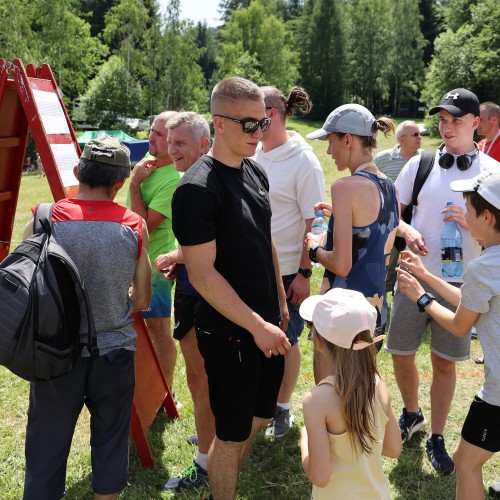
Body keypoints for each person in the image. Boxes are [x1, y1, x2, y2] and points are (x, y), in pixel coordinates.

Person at [171, 76, 291, 499]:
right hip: (230, 332)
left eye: (264, 122)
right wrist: (257, 325)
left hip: (267, 322)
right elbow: (203, 276)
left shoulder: (255, 170)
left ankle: (227, 480)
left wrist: (278, 296)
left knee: (259, 415)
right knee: (230, 432)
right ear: (218, 124)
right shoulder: (196, 190)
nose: (260, 134)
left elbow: (265, 237)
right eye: (249, 125)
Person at [22, 136, 152, 499]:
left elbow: (24, 287)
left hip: (54, 355)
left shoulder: (43, 219)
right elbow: (141, 298)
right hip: (113, 355)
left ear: (78, 172)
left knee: (46, 446)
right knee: (110, 444)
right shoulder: (133, 225)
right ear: (120, 183)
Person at [385, 88, 499, 475]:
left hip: (463, 288)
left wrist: (472, 224)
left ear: (475, 124)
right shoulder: (420, 162)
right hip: (414, 276)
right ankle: (412, 413)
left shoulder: (492, 173)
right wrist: (405, 231)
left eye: (455, 120)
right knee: (400, 352)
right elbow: (392, 214)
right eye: (442, 120)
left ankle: (436, 435)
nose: (446, 127)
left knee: (444, 363)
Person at [396, 170, 500, 500]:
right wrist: (425, 275)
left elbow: (459, 324)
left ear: (486, 216)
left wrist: (420, 297)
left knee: (465, 463)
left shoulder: (484, 267)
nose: (464, 216)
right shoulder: (489, 265)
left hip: (498, 395)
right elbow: (473, 300)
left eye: (468, 210)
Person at [306, 104, 399, 381]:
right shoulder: (389, 184)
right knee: (361, 398)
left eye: (331, 142)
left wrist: (314, 247)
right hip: (374, 313)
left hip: (342, 316)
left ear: (348, 140)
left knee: (331, 396)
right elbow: (374, 235)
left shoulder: (344, 187)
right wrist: (338, 219)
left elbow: (342, 265)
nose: (328, 151)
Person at [254, 85, 325, 438]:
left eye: (255, 116)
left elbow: (316, 224)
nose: (249, 124)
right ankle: (257, 408)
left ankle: (282, 410)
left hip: (287, 272)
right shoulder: (254, 152)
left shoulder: (304, 160)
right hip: (253, 267)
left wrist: (304, 272)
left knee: (287, 340)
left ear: (273, 114)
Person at [154, 112, 214, 491]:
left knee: (200, 376)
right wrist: (181, 260)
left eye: (180, 144)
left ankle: (206, 461)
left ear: (204, 144)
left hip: (203, 293)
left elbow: (211, 244)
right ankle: (209, 436)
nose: (171, 150)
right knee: (203, 376)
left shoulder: (196, 185)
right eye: (169, 142)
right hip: (197, 286)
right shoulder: (202, 177)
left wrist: (175, 258)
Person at [299, 288, 401, 499]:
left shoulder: (317, 400)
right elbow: (393, 448)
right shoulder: (378, 384)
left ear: (319, 341)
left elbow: (319, 476)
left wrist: (304, 441)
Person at [127, 111, 180, 393]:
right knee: (141, 332)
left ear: (172, 142)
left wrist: (135, 182)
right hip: (133, 262)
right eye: (152, 131)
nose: (152, 137)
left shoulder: (172, 178)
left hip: (155, 267)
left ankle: (164, 395)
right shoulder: (150, 166)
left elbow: (143, 223)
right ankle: (147, 391)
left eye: (160, 134)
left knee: (159, 332)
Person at [374, 120, 422, 294]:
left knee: (410, 269)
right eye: (415, 134)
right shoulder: (383, 159)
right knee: (385, 267)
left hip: (416, 224)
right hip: (388, 222)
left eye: (420, 134)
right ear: (401, 139)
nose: (420, 137)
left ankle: (404, 297)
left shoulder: (426, 159)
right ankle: (379, 305)